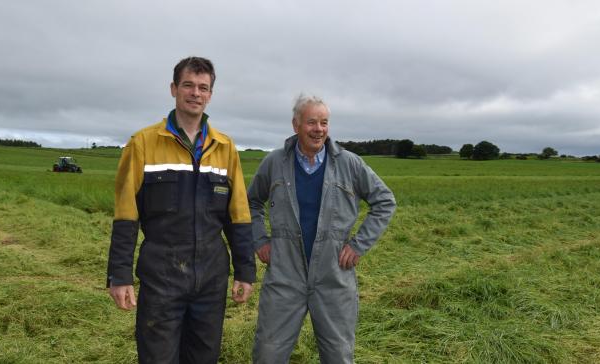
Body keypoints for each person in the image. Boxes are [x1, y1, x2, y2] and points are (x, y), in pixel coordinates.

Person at [107, 56, 256, 364]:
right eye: (188, 85)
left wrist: (245, 272)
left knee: (204, 357)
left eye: (203, 87)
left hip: (211, 278)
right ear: (173, 89)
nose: (195, 93)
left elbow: (238, 216)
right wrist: (119, 275)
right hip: (162, 276)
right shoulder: (143, 143)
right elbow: (125, 214)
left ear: (211, 94)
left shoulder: (226, 148)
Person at [248, 94, 396, 363]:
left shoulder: (349, 163)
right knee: (268, 353)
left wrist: (359, 244)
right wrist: (259, 239)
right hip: (284, 275)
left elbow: (385, 201)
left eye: (324, 122)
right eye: (311, 122)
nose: (319, 129)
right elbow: (251, 203)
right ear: (296, 125)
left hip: (334, 276)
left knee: (338, 355)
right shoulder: (275, 163)